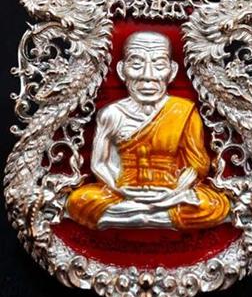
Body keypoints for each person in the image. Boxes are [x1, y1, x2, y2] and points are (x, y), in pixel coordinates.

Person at [66, 31, 231, 230]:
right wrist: (120, 189)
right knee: (79, 200)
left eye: (159, 65)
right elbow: (100, 163)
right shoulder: (111, 113)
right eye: (136, 65)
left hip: (171, 193)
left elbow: (197, 165)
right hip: (123, 192)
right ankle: (153, 217)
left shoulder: (183, 111)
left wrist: (177, 190)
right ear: (121, 70)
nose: (148, 75)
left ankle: (132, 217)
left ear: (172, 71)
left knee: (214, 205)